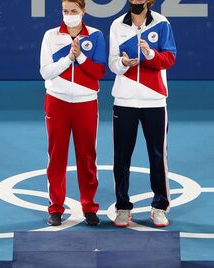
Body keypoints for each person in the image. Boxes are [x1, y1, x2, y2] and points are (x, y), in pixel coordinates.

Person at [109, 0, 176, 227]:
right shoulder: (117, 25)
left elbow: (169, 59)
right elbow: (112, 63)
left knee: (158, 156)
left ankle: (159, 206)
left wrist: (149, 54)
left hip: (154, 101)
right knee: (121, 157)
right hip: (124, 100)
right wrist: (123, 63)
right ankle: (122, 207)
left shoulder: (162, 23)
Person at [40, 0, 106, 227]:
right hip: (56, 102)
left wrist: (81, 57)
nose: (69, 15)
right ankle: (56, 207)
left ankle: (89, 206)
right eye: (65, 11)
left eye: (74, 11)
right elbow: (45, 72)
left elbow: (98, 71)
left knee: (87, 157)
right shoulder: (50, 36)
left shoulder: (96, 36)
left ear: (83, 11)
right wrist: (68, 58)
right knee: (56, 156)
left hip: (86, 103)